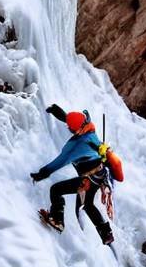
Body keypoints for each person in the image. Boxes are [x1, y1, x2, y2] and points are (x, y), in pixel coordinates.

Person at [31, 104, 115, 245]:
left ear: (77, 129)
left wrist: (42, 174)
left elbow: (61, 161)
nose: (69, 129)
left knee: (56, 190)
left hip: (89, 180)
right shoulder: (88, 125)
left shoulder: (79, 146)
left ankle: (58, 220)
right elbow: (73, 121)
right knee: (88, 205)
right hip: (100, 175)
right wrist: (56, 110)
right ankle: (107, 234)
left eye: (70, 128)